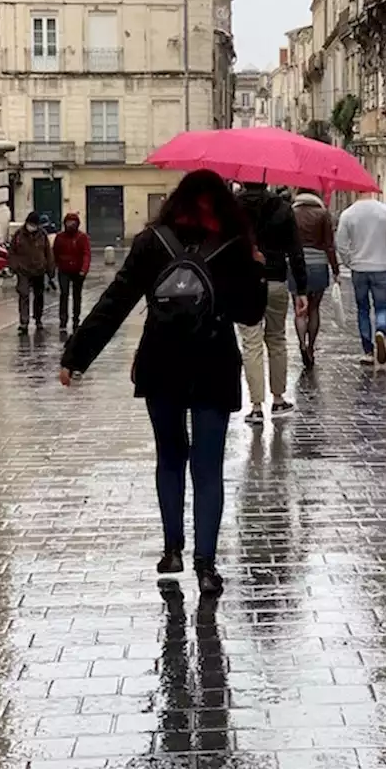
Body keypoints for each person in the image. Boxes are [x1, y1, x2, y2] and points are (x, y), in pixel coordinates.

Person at [59, 170, 268, 596]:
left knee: (170, 457)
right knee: (208, 467)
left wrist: (76, 356)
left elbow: (115, 301)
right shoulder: (233, 244)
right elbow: (250, 314)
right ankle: (206, 566)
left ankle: (172, 548)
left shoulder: (153, 240)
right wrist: (256, 268)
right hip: (213, 363)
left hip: (162, 362)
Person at [237, 182, 308, 425]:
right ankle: (278, 399)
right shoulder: (282, 207)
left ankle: (256, 406)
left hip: (245, 282)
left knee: (251, 343)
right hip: (276, 280)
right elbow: (296, 250)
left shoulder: (233, 208)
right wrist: (301, 289)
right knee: (277, 339)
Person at [336, 192, 386, 365]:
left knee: (363, 309)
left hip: (359, 268)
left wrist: (348, 261)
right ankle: (380, 330)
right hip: (380, 267)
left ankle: (368, 350)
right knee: (381, 307)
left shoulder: (348, 214)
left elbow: (341, 244)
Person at [289, 190, 339, 370]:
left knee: (299, 308)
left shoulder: (290, 212)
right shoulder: (323, 214)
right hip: (318, 264)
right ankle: (311, 347)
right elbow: (329, 245)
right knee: (314, 308)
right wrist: (335, 269)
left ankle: (301, 343)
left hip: (296, 264)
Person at [10, 211, 55, 333]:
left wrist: (50, 270)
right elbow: (12, 251)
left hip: (39, 270)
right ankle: (24, 322)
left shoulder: (42, 235)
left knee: (39, 296)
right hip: (23, 270)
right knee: (24, 295)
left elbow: (48, 253)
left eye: (34, 224)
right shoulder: (19, 235)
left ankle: (38, 319)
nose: (32, 227)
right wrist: (14, 266)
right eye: (31, 224)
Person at [52, 212, 92, 332]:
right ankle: (63, 321)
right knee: (63, 294)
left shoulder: (82, 237)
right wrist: (54, 267)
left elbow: (86, 254)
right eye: (68, 222)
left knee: (76, 296)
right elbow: (55, 253)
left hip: (78, 270)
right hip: (64, 269)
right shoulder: (60, 237)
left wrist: (83, 270)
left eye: (72, 222)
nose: (70, 225)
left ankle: (76, 320)